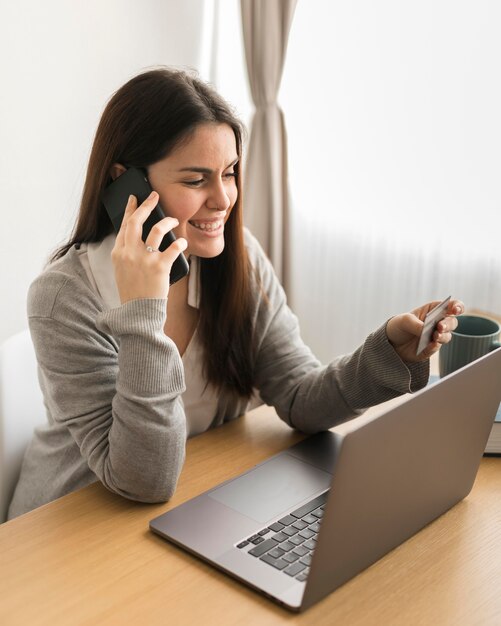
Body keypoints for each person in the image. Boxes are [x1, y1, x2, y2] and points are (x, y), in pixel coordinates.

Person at [7, 68, 463, 520]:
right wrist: (142, 312)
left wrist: (389, 352)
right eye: (195, 180)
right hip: (67, 527)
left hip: (185, 507)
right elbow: (142, 479)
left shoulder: (238, 260)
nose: (224, 198)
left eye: (228, 173)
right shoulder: (62, 297)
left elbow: (300, 397)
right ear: (128, 184)